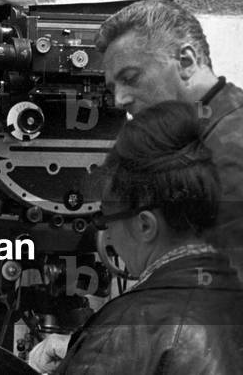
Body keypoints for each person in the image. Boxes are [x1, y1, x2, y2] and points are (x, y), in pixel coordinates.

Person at [30, 100, 243, 374]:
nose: (107, 236)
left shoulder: (127, 326)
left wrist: (99, 350)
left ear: (145, 225)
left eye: (105, 219)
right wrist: (81, 347)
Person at [97, 0, 243, 270]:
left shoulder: (229, 151)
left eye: (130, 78)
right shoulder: (195, 134)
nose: (119, 100)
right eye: (112, 88)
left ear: (186, 62)